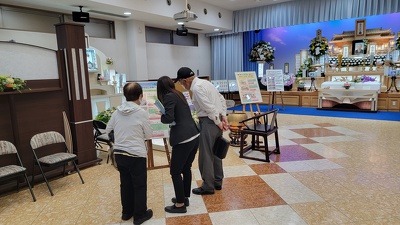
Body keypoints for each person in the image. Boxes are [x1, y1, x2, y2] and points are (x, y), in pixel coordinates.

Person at [174, 67, 229, 195]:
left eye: (181, 83)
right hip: (216, 120)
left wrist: (219, 122)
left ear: (185, 80)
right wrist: (223, 116)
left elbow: (208, 107)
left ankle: (207, 186)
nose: (182, 85)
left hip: (209, 122)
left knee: (206, 154)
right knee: (216, 151)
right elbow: (221, 98)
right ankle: (217, 181)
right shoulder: (206, 83)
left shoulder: (197, 88)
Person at [105, 82, 153, 225]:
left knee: (125, 184)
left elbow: (108, 130)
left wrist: (120, 139)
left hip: (120, 154)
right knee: (139, 185)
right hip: (136, 155)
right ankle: (139, 215)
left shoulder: (116, 112)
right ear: (140, 95)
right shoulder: (141, 113)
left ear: (125, 96)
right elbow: (149, 134)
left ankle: (126, 213)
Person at [156, 76, 200, 213]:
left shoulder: (168, 96)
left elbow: (168, 118)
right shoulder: (179, 93)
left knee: (175, 171)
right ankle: (184, 197)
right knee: (186, 168)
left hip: (183, 139)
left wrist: (161, 115)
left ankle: (180, 204)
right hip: (194, 134)